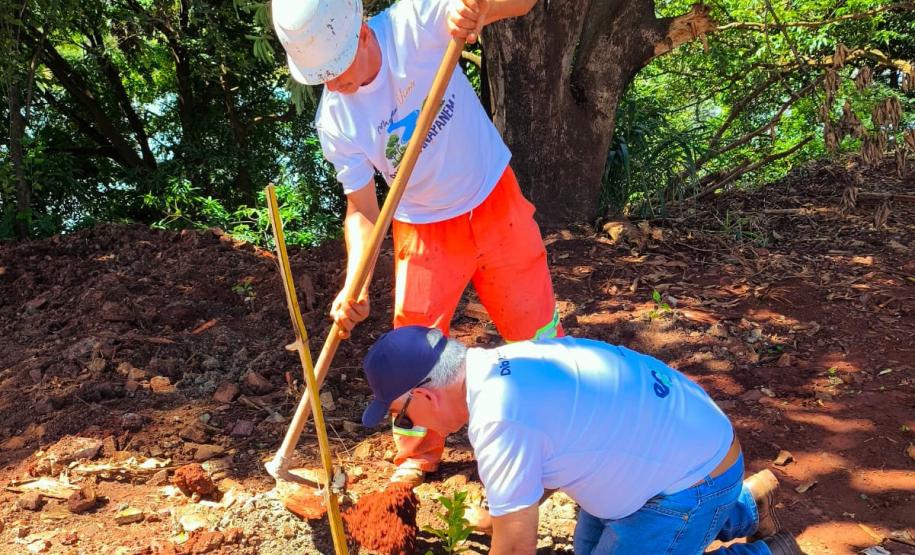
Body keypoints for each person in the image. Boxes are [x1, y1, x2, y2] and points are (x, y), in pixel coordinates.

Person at [272, 0, 562, 486]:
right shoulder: (336, 122)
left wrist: (480, 12)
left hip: (494, 200)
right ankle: (417, 452)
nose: (333, 84)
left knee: (537, 328)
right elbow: (363, 210)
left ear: (362, 33)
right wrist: (354, 284)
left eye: (337, 69)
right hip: (424, 229)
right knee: (409, 352)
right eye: (319, 75)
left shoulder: (417, 20)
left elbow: (523, 3)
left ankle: (558, 428)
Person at [358, 326, 805, 555]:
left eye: (403, 415)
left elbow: (516, 549)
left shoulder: (499, 418)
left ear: (425, 393)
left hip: (689, 482)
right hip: (693, 444)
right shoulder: (505, 362)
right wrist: (501, 515)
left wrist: (506, 528)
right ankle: (746, 505)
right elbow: (539, 468)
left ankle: (768, 549)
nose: (411, 426)